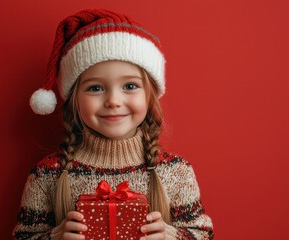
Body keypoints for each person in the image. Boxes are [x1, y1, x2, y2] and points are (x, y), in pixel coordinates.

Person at [13, 8, 214, 240]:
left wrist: (172, 236)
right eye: (95, 88)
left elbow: (203, 234)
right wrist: (55, 237)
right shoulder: (47, 174)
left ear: (150, 95)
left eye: (130, 86)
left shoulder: (176, 173)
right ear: (73, 100)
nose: (113, 101)